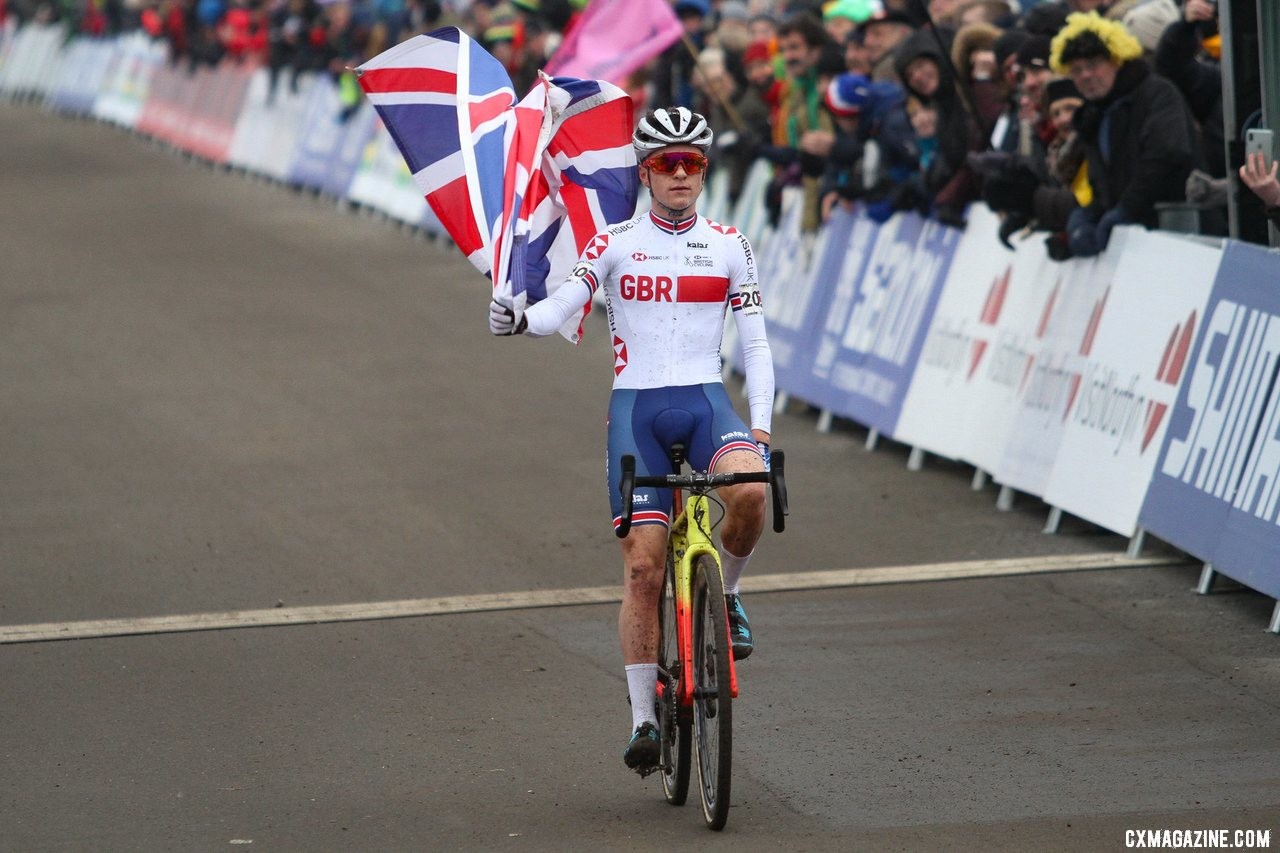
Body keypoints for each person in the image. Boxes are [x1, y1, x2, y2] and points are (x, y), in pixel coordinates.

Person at [488, 108, 774, 774]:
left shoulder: (730, 241)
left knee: (753, 491)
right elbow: (564, 306)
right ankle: (645, 717)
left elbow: (756, 345)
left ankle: (727, 596)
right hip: (637, 411)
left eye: (692, 164)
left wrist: (759, 426)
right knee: (644, 568)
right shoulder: (614, 241)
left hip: (706, 403)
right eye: (667, 164)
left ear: (704, 170)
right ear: (646, 171)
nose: (680, 174)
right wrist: (519, 317)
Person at [1050, 11, 1198, 257]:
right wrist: (1086, 217)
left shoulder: (1156, 93)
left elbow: (1168, 155)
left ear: (1117, 60)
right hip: (1132, 246)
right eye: (1076, 70)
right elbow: (1103, 186)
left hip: (1176, 238)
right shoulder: (1092, 115)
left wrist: (1128, 209)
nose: (1086, 75)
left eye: (1093, 64)